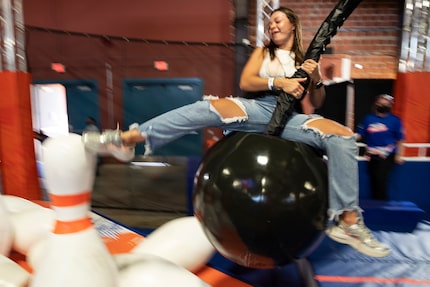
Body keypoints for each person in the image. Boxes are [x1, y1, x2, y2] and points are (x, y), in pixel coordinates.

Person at [83, 7, 390, 257]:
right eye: (270, 23)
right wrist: (279, 83)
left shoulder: (304, 58)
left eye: (278, 21)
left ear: (293, 26)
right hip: (258, 108)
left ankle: (347, 221)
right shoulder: (264, 51)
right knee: (208, 108)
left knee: (343, 136)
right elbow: (247, 81)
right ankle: (128, 139)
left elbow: (317, 101)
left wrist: (316, 78)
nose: (272, 26)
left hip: (293, 119)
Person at [356, 94, 405, 201]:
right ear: (376, 104)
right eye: (381, 103)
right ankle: (376, 203)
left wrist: (399, 155)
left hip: (387, 154)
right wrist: (346, 138)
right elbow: (360, 135)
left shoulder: (395, 120)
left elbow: (400, 139)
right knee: (373, 179)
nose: (383, 105)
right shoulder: (368, 119)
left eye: (386, 103)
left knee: (381, 178)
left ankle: (383, 203)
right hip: (371, 154)